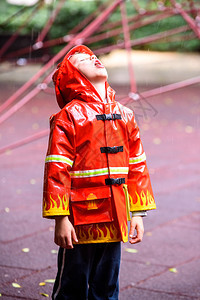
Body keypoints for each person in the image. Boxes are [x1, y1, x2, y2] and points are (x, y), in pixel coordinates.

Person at [43, 45, 156, 300]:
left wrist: (137, 212)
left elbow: (137, 164)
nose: (93, 58)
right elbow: (57, 168)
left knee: (107, 283)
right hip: (79, 217)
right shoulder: (68, 117)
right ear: (72, 75)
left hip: (115, 213)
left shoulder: (125, 115)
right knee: (72, 282)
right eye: (83, 59)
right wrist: (61, 218)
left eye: (94, 56)